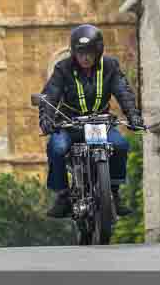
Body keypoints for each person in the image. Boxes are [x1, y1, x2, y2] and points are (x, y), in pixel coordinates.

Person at [39, 24, 144, 218]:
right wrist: (46, 117)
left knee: (120, 145)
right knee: (57, 147)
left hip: (100, 124)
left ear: (98, 52)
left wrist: (133, 115)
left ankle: (113, 192)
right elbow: (50, 93)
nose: (85, 57)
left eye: (89, 53)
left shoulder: (110, 66)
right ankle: (62, 195)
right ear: (74, 53)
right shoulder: (62, 68)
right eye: (80, 53)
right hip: (69, 125)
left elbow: (123, 91)